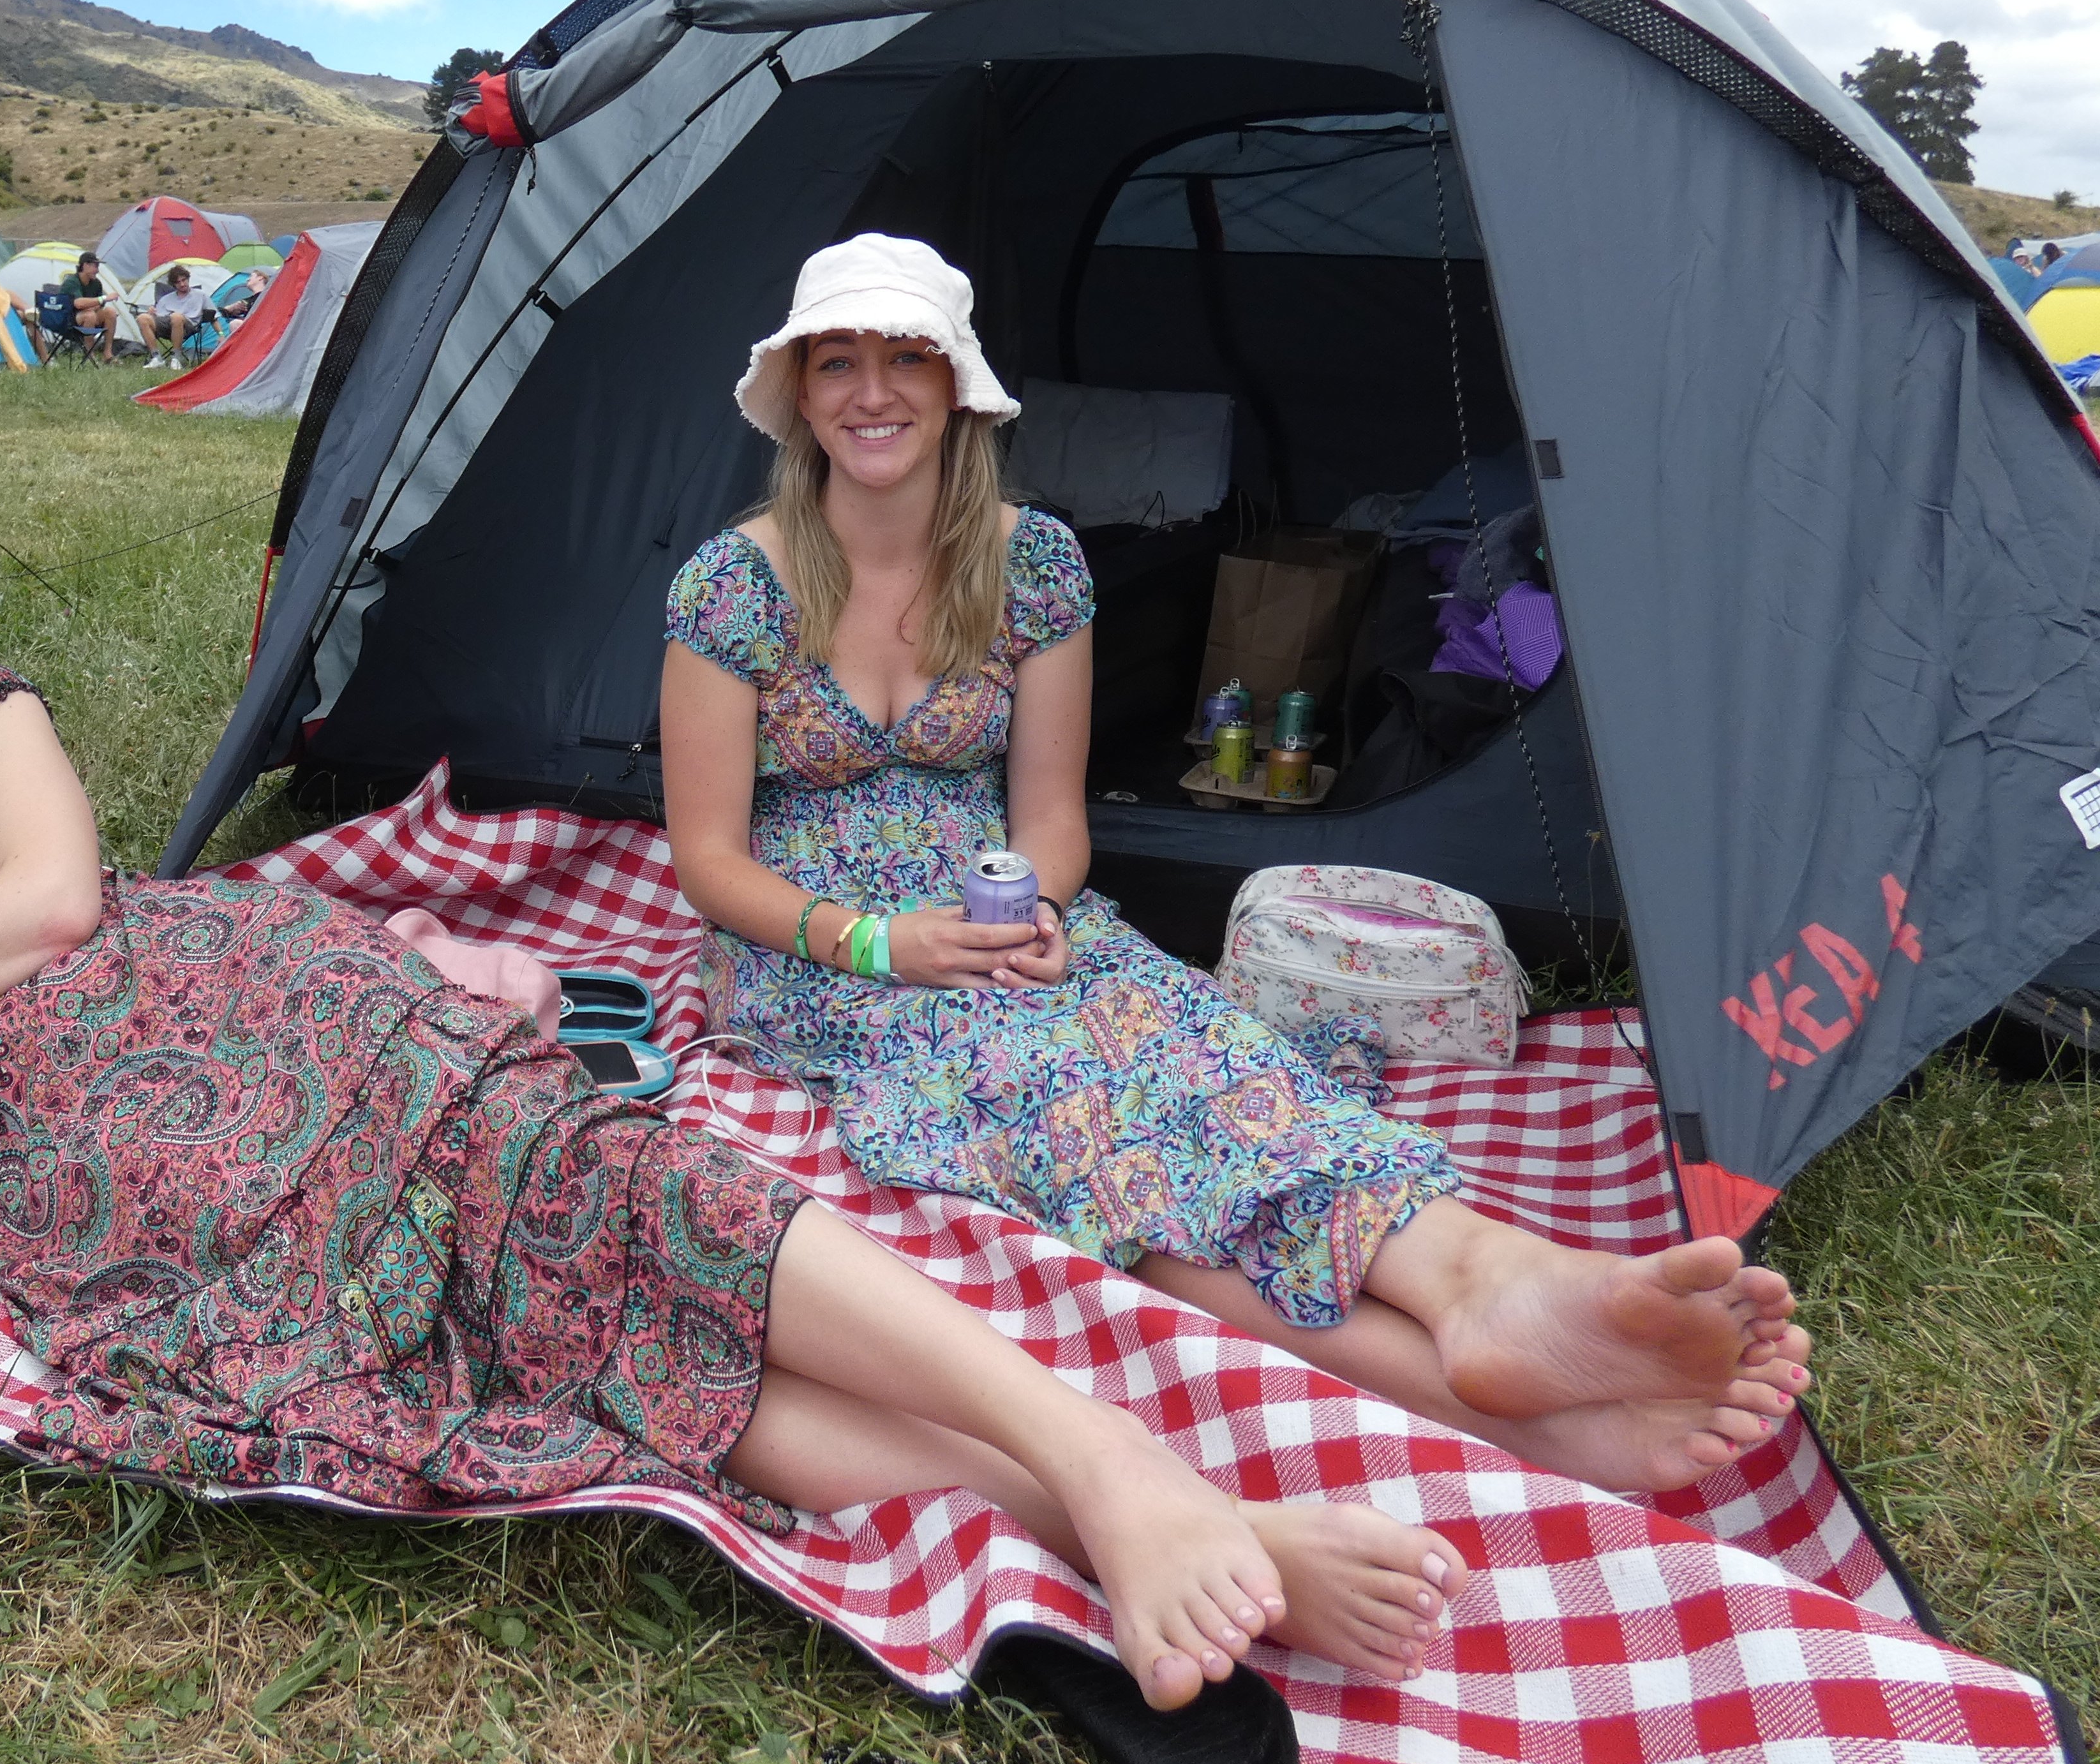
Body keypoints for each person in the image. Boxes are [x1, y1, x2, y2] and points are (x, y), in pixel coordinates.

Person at [0, 477, 1475, 1710]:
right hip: (65, 1163)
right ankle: (1123, 1519)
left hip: (214, 1007)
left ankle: (1111, 1461)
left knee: (582, 1179)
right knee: (563, 1358)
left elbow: (57, 900)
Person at [655, 235, 1812, 1499]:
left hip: (998, 912)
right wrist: (882, 944)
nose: (870, 392)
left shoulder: (1031, 564)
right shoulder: (735, 586)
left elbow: (1050, 817)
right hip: (816, 951)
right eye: (839, 362)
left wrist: (1034, 908)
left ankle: (1492, 1282)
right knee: (1081, 1123)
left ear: (956, 390)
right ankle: (1502, 1400)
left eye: (905, 359)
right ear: (802, 392)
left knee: (1204, 1048)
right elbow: (707, 861)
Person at [144, 264, 210, 368]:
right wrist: (151, 313)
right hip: (168, 325)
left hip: (189, 327)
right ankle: (156, 358)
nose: (182, 284)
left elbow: (214, 315)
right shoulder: (166, 299)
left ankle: (177, 358)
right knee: (143, 318)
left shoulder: (200, 295)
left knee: (176, 317)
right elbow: (159, 315)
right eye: (178, 282)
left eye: (184, 280)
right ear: (173, 285)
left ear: (188, 279)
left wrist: (221, 335)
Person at [68, 251, 119, 358]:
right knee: (90, 315)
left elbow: (99, 305)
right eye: (96, 266)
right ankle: (90, 355)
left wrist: (95, 304)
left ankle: (108, 354)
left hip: (91, 315)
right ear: (86, 266)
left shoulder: (96, 283)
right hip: (70, 319)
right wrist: (104, 298)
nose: (97, 271)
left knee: (110, 312)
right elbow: (78, 303)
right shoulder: (72, 282)